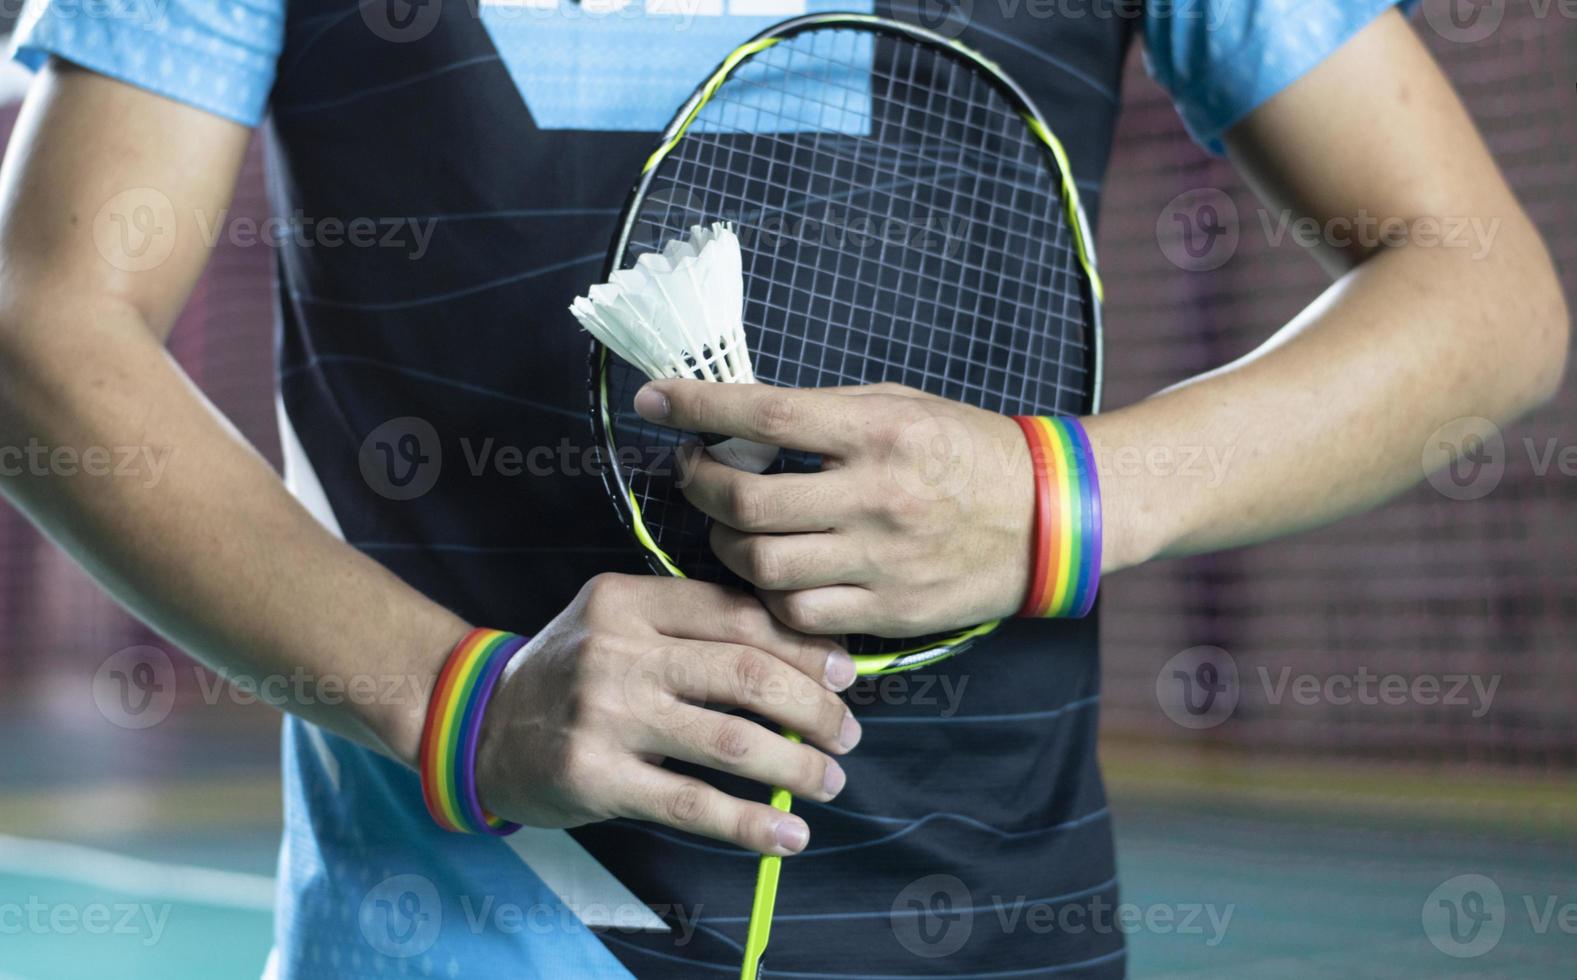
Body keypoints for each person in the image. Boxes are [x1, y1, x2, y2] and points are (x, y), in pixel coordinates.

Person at [0, 0, 1564, 976]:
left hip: (1002, 938)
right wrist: (454, 700)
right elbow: (41, 322)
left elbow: (1484, 294)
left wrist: (1057, 497)